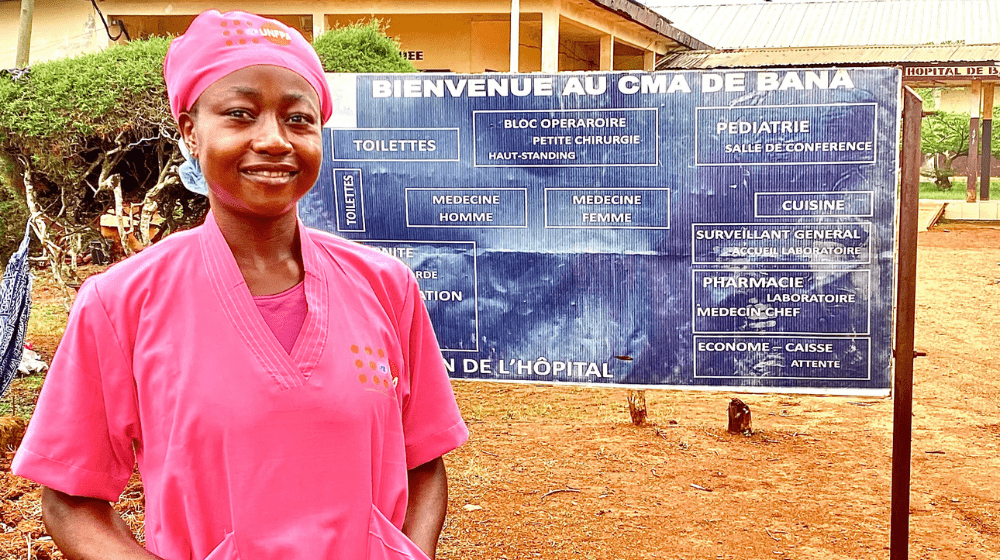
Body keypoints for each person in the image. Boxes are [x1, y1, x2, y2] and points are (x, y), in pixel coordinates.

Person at [12, 10, 468, 560]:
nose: (274, 140)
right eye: (240, 114)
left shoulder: (384, 286)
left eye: (299, 120)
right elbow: (70, 498)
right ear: (190, 130)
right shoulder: (120, 304)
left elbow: (423, 462)